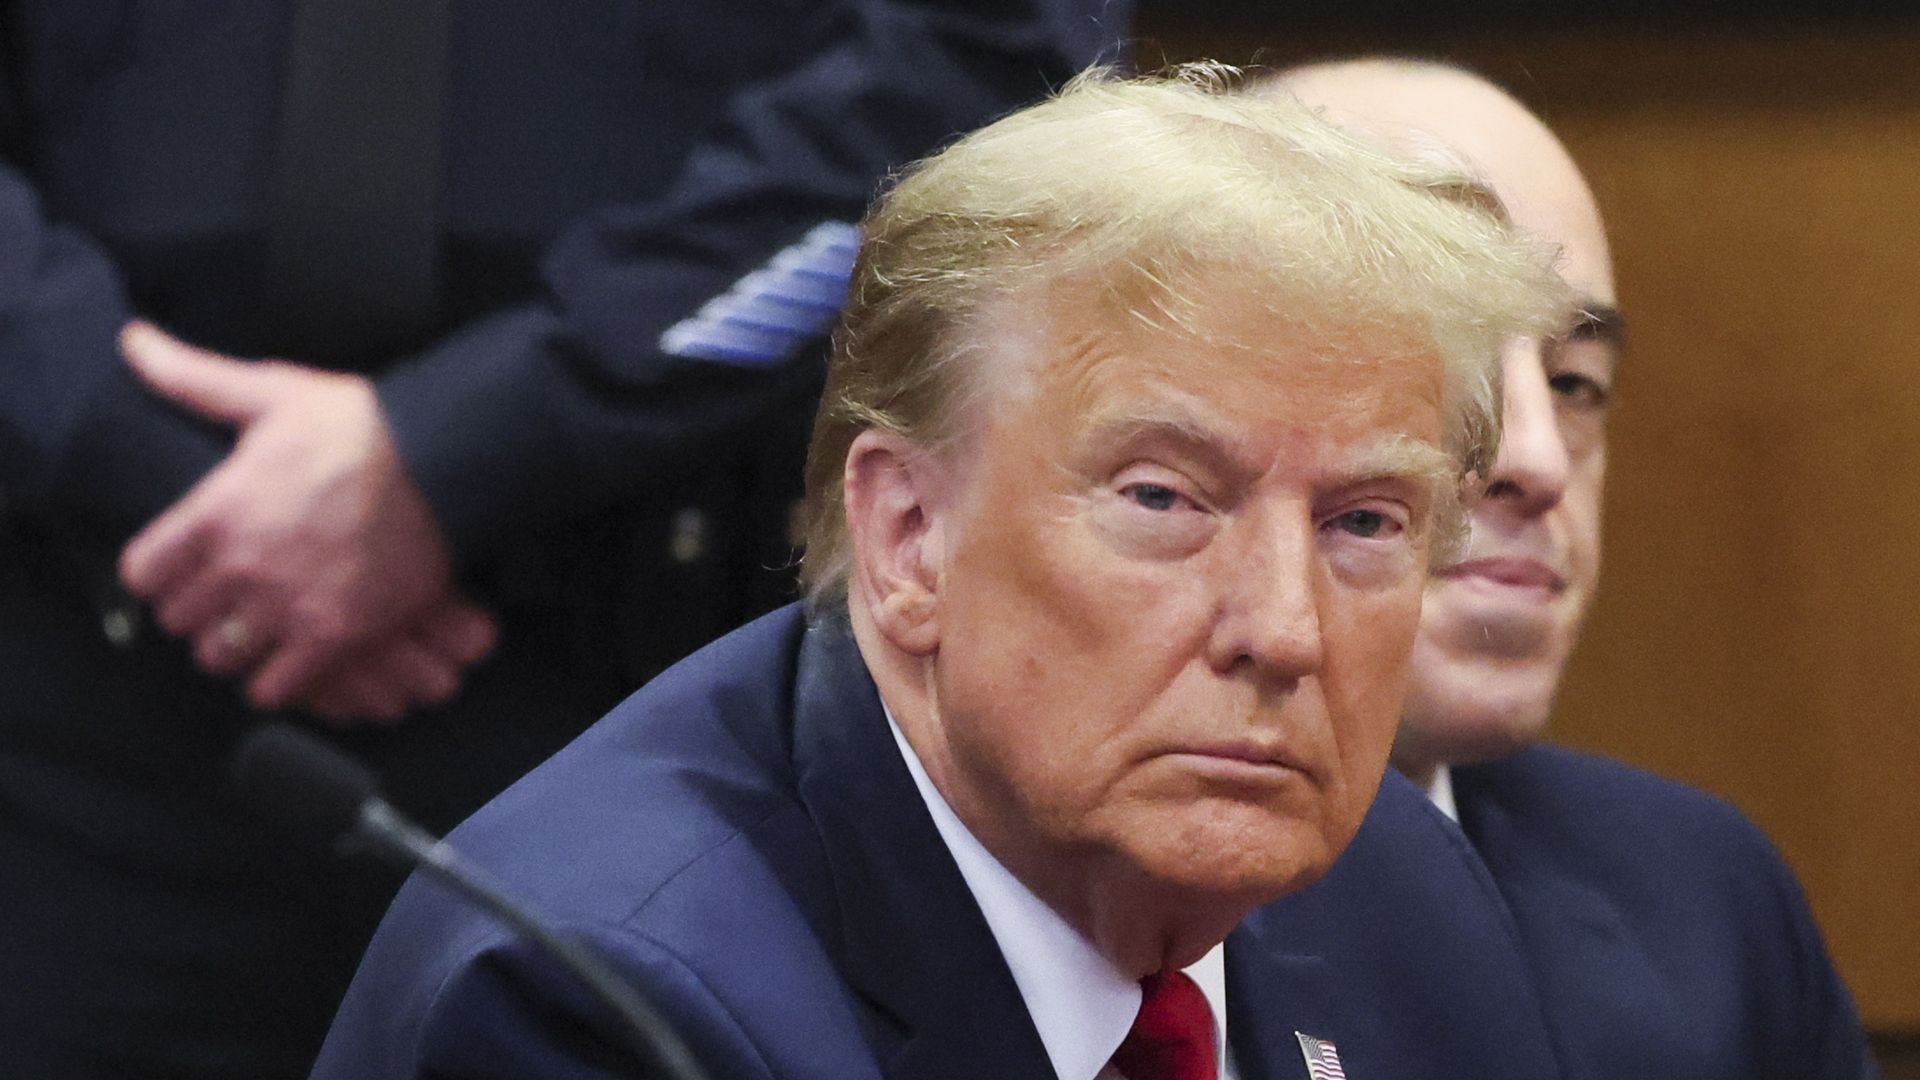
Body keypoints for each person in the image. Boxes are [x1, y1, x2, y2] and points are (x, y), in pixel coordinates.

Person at [312, 66, 1571, 1079]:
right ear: (909, 534)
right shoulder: (605, 1003)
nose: (1285, 632)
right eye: (1163, 501)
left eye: (1364, 523)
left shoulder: (1403, 899)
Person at [0, 4, 1128, 1075]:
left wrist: (481, 441)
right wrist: (119, 445)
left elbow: (984, 68)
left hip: (655, 692)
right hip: (89, 690)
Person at [1267, 58, 1878, 1079]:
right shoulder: (1059, 898)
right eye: (1448, 366)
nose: (1536, 459)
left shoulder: (1704, 900)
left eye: (1575, 382)